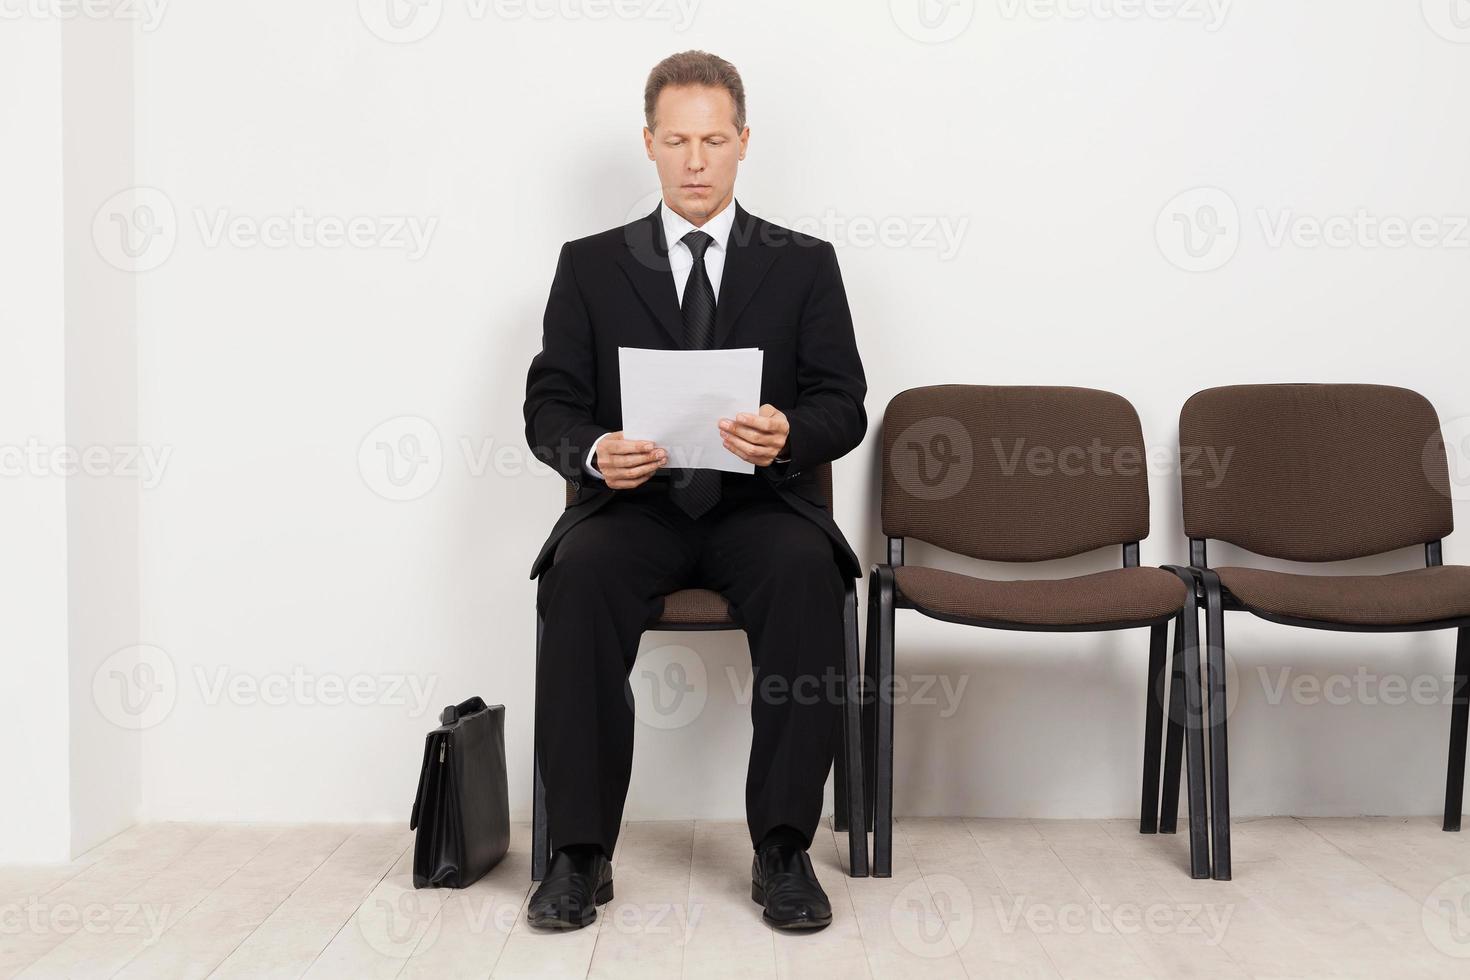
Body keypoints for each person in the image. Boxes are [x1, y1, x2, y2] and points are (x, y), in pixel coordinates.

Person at [522, 49, 866, 931]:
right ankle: (578, 853)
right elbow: (549, 403)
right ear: (649, 144)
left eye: (715, 140)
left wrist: (790, 430)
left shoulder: (803, 264)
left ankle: (783, 848)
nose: (697, 161)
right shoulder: (590, 265)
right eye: (678, 141)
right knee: (579, 578)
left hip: (760, 508)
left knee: (806, 576)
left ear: (744, 141)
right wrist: (596, 450)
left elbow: (845, 404)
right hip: (633, 510)